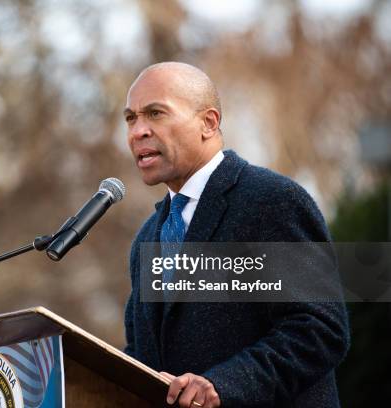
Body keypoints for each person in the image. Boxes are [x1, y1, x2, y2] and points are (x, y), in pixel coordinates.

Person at [122, 62, 350, 407]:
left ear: (208, 123)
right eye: (130, 118)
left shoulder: (271, 201)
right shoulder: (147, 239)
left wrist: (221, 385)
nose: (138, 131)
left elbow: (319, 329)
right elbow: (146, 353)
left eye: (155, 113)